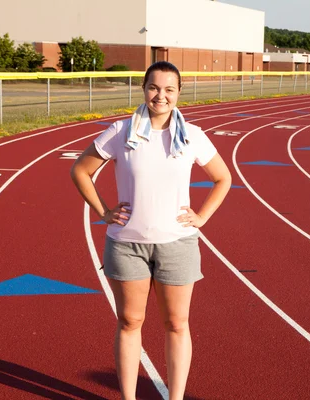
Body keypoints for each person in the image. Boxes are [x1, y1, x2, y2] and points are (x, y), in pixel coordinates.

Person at [71, 61, 231, 400]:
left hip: (177, 244)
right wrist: (103, 211)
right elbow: (80, 171)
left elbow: (223, 177)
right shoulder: (120, 132)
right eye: (154, 88)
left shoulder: (192, 136)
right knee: (130, 322)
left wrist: (202, 216)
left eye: (169, 89)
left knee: (176, 324)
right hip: (127, 244)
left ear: (179, 93)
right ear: (144, 89)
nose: (161, 96)